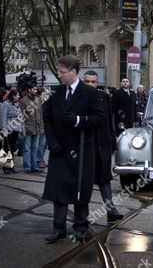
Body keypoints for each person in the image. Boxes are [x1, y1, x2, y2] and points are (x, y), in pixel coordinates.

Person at [43, 55, 104, 244]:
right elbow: (47, 119)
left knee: (80, 191)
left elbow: (99, 119)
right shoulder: (56, 93)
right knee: (58, 192)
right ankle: (58, 228)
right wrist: (52, 142)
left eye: (63, 72)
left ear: (73, 71)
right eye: (59, 72)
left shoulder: (90, 93)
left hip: (81, 150)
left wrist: (79, 120)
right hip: (59, 150)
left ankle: (80, 227)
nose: (60, 76)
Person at [83, 70, 123, 223]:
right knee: (85, 181)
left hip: (104, 145)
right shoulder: (79, 98)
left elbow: (109, 121)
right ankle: (82, 215)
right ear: (83, 81)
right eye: (87, 82)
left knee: (105, 179)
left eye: (93, 82)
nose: (91, 85)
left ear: (97, 82)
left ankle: (111, 211)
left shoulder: (105, 97)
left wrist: (113, 143)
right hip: (87, 146)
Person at [19, 84, 44, 173]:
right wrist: (23, 129)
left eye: (36, 89)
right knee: (27, 149)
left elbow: (40, 114)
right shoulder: (23, 101)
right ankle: (27, 167)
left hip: (37, 128)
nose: (36, 91)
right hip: (27, 128)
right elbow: (21, 116)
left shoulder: (38, 99)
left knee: (35, 148)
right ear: (29, 90)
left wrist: (42, 127)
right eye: (34, 89)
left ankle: (34, 166)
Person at [0, 89, 24, 174]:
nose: (19, 97)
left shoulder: (17, 104)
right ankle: (6, 167)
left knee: (12, 149)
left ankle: (11, 166)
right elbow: (3, 118)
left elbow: (20, 117)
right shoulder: (5, 105)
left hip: (15, 129)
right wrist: (4, 130)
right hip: (8, 130)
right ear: (13, 96)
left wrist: (22, 129)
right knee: (6, 148)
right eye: (17, 95)